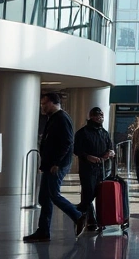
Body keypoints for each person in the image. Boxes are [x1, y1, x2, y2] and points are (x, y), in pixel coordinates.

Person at [24, 92, 87, 243]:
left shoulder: (62, 118)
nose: (42, 106)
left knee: (53, 195)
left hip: (57, 165)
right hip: (50, 165)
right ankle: (43, 231)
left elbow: (67, 142)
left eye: (44, 103)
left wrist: (56, 163)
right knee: (44, 198)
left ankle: (78, 216)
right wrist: (45, 164)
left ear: (53, 103)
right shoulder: (53, 118)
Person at [74, 107, 114, 232]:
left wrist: (110, 153)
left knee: (100, 194)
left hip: (102, 168)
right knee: (88, 194)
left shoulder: (104, 132)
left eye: (101, 115)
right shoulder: (82, 133)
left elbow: (111, 148)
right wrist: (87, 157)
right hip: (88, 168)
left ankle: (93, 220)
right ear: (90, 117)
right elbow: (77, 150)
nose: (99, 118)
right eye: (96, 115)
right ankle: (83, 216)